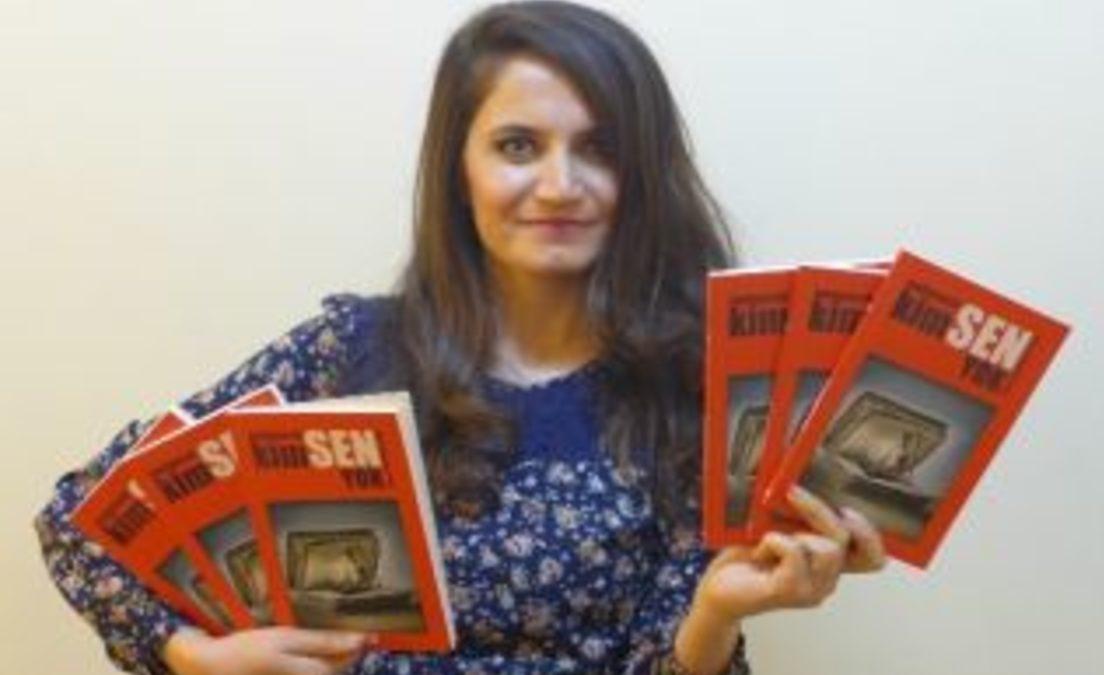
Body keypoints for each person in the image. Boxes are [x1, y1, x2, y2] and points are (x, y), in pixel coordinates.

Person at [35, 2, 886, 673]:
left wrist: (717, 612)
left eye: (599, 148)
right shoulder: (350, 350)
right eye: (518, 145)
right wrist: (191, 654)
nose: (559, 184)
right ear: (459, 168)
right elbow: (81, 520)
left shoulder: (696, 385)